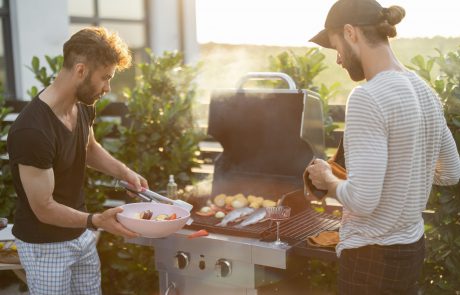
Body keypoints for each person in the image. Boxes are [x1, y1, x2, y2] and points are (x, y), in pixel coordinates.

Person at [306, 0, 460, 294]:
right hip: (410, 251)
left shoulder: (368, 96)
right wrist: (408, 173)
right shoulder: (425, 91)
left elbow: (363, 201)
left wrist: (327, 181)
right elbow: (451, 173)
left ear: (351, 33)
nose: (338, 59)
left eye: (336, 46)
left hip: (370, 259)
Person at [7, 27, 148, 295]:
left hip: (80, 235)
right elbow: (44, 208)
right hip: (45, 247)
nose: (108, 88)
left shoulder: (83, 104)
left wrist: (125, 172)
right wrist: (95, 220)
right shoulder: (32, 131)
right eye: (105, 78)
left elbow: (89, 147)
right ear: (81, 70)